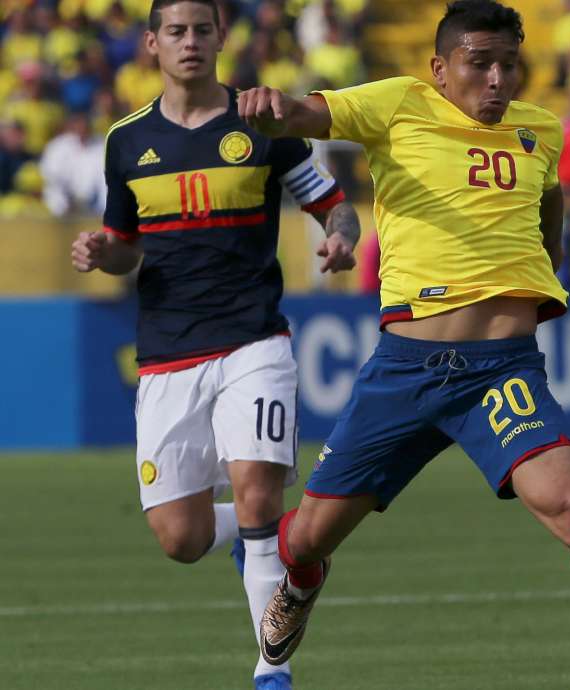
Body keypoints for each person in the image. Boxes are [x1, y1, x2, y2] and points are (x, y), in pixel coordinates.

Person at [235, 0, 570, 670]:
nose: (497, 79)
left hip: (502, 371)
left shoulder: (541, 132)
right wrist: (271, 107)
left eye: (508, 64)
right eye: (479, 64)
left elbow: (548, 221)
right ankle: (299, 581)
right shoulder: (398, 105)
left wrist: (517, 284)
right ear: (440, 69)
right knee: (310, 539)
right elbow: (301, 113)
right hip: (407, 369)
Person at [69, 1, 360, 688]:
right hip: (168, 352)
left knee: (257, 496)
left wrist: (341, 234)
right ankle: (258, 542)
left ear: (222, 38)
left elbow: (331, 200)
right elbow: (124, 251)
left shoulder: (261, 122)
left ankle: (271, 672)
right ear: (152, 44)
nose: (190, 42)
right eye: (176, 31)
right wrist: (99, 251)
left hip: (253, 341)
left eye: (202, 29)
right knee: (182, 538)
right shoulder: (126, 141)